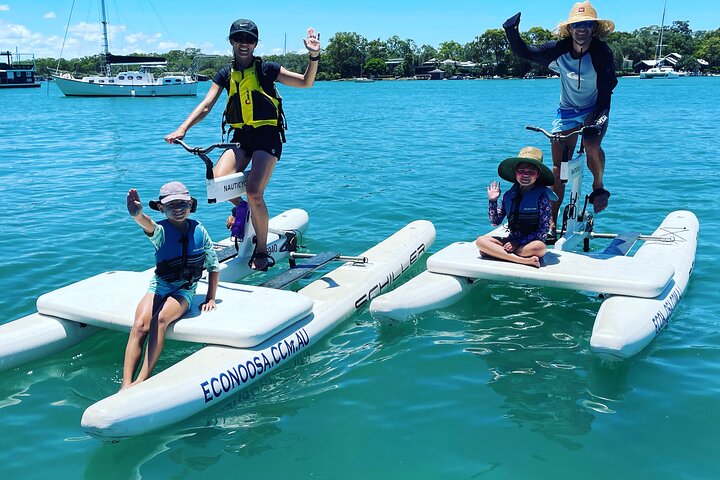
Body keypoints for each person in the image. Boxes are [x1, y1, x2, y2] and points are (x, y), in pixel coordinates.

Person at [164, 19, 321, 271]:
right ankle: (243, 210)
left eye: (249, 39)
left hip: (268, 138)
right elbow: (206, 105)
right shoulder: (225, 74)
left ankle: (261, 250)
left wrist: (314, 55)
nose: (244, 44)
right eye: (239, 38)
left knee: (254, 191)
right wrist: (182, 128)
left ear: (256, 43)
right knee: (217, 182)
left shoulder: (267, 69)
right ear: (232, 42)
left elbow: (305, 82)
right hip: (241, 138)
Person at [503, 1, 618, 230]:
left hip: (594, 108)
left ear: (594, 28)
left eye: (587, 24)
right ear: (570, 29)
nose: (582, 29)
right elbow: (525, 52)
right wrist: (511, 31)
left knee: (591, 144)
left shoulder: (601, 52)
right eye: (577, 25)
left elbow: (606, 92)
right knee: (558, 168)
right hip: (566, 111)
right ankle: (551, 220)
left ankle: (598, 186)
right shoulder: (559, 49)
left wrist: (600, 119)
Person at [122, 181, 220, 389]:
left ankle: (142, 380)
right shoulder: (160, 232)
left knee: (159, 320)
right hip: (160, 284)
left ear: (191, 205)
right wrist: (137, 216)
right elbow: (148, 225)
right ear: (161, 208)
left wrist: (210, 297)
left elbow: (213, 265)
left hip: (184, 289)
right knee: (139, 326)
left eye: (182, 204)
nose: (178, 210)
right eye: (171, 205)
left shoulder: (200, 231)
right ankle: (126, 383)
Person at [475, 146, 556, 268]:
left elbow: (543, 230)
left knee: (540, 248)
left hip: (528, 245)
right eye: (521, 171)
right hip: (511, 241)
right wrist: (492, 201)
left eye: (530, 172)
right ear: (515, 172)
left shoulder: (542, 197)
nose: (525, 175)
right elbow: (495, 222)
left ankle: (497, 254)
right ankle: (521, 260)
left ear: (537, 175)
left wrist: (518, 243)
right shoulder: (508, 195)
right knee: (481, 241)